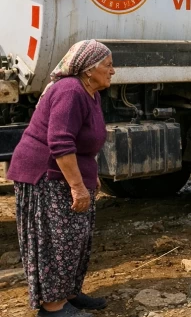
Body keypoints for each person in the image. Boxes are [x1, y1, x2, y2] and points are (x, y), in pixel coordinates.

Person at [7, 40, 114, 316]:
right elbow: (60, 142)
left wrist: (90, 175)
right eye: (108, 65)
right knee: (57, 241)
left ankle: (69, 293)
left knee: (76, 238)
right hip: (44, 175)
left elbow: (85, 141)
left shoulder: (90, 93)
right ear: (89, 70)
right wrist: (78, 187)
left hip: (62, 172)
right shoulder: (70, 91)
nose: (113, 71)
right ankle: (53, 306)